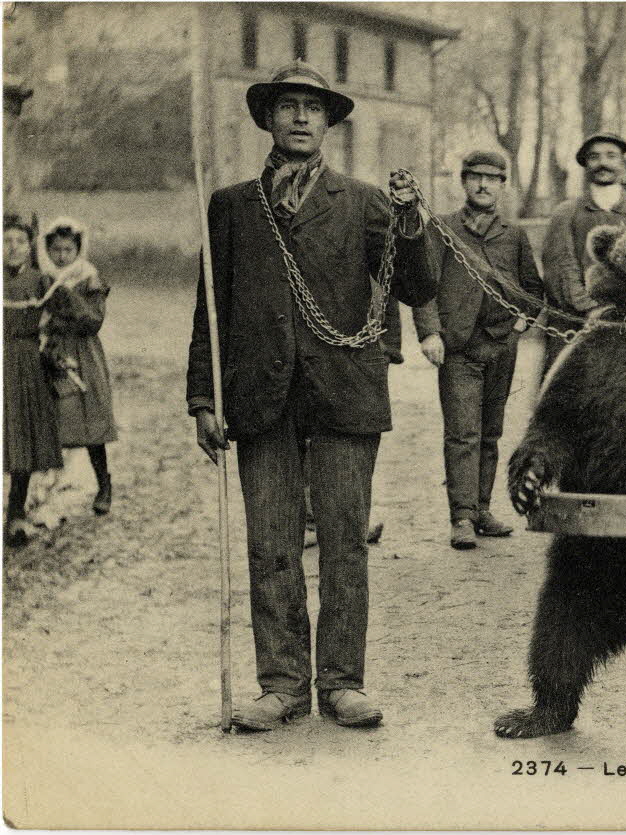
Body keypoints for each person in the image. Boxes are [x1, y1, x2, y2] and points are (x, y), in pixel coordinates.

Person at [186, 60, 439, 732]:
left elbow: (417, 285)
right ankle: (281, 684)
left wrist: (413, 221)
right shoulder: (232, 206)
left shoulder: (363, 202)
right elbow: (209, 309)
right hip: (259, 396)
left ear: (329, 122)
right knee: (270, 544)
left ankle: (342, 683)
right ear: (267, 118)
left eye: (313, 107)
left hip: (345, 395)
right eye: (288, 105)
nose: (300, 117)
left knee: (344, 543)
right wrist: (203, 397)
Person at [414, 151, 544, 549]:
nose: (484, 185)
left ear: (503, 185)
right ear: (464, 182)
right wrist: (430, 333)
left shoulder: (514, 234)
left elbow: (532, 288)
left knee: (491, 432)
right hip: (458, 349)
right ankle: (462, 518)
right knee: (462, 433)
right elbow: (422, 286)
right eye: (476, 177)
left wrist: (523, 321)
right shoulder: (442, 229)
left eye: (493, 179)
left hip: (501, 346)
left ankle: (483, 509)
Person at [542, 132, 626, 378]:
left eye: (611, 156)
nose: (603, 163)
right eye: (594, 157)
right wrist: (589, 309)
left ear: (622, 163)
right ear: (585, 164)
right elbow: (561, 267)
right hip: (575, 326)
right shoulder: (566, 213)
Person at [36, 218, 118, 515]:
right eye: (55, 250)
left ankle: (104, 483)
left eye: (68, 250)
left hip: (83, 352)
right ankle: (47, 489)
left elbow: (93, 321)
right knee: (52, 420)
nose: (61, 256)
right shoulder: (43, 276)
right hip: (53, 349)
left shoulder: (88, 277)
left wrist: (65, 294)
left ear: (78, 250)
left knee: (90, 420)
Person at [4, 217, 63, 547]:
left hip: (25, 363)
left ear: (30, 247)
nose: (12, 247)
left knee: (20, 438)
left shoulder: (40, 280)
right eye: (6, 240)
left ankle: (14, 513)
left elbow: (67, 311)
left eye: (19, 241)